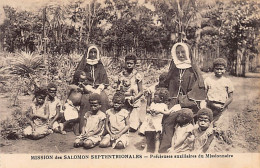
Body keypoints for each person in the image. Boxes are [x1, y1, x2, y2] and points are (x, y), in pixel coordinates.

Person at [159, 42, 206, 153]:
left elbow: (196, 93)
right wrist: (165, 103)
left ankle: (174, 148)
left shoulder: (193, 72)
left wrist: (180, 104)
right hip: (172, 101)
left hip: (189, 103)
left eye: (183, 52)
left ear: (188, 53)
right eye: (177, 53)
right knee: (165, 119)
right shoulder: (174, 69)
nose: (180, 55)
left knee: (174, 119)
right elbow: (166, 86)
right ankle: (164, 149)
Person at [73, 44, 110, 133]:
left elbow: (104, 80)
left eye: (94, 52)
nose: (93, 55)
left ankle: (103, 129)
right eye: (91, 52)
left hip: (98, 89)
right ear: (88, 53)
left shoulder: (100, 66)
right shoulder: (83, 65)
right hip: (86, 89)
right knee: (86, 100)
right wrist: (87, 87)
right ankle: (84, 128)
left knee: (104, 99)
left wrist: (99, 89)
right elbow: (78, 78)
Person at [204, 58, 234, 144]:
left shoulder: (227, 81)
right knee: (208, 125)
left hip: (222, 107)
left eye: (221, 69)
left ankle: (224, 142)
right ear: (213, 69)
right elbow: (204, 95)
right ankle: (209, 142)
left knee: (221, 126)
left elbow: (231, 97)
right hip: (210, 106)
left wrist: (223, 106)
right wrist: (210, 104)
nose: (219, 71)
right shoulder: (208, 80)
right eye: (217, 68)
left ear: (225, 69)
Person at [140, 88, 174, 153]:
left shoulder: (164, 105)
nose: (154, 97)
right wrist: (150, 110)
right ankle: (145, 149)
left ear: (161, 98)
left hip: (157, 123)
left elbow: (168, 113)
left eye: (155, 96)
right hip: (150, 122)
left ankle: (156, 151)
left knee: (157, 137)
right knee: (148, 137)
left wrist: (160, 111)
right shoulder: (153, 103)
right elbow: (147, 109)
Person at [116, 54, 143, 132]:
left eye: (131, 63)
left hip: (134, 100)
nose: (129, 65)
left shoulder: (137, 76)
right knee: (121, 125)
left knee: (132, 127)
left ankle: (136, 122)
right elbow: (117, 89)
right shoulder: (121, 75)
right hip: (123, 99)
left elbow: (141, 92)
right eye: (127, 63)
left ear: (134, 64)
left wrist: (133, 99)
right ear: (125, 63)